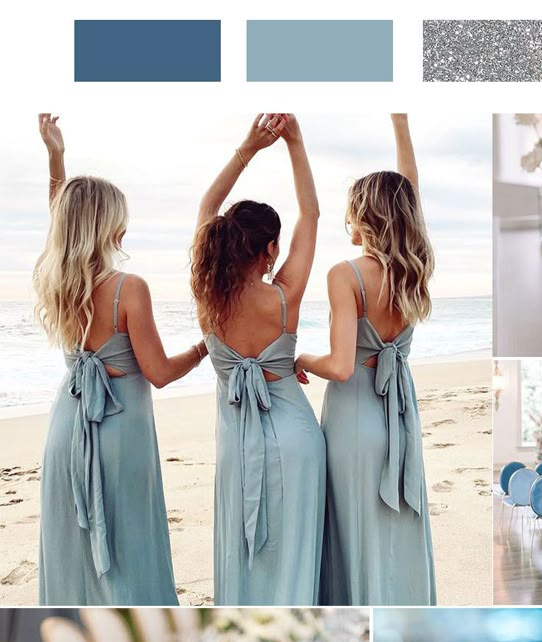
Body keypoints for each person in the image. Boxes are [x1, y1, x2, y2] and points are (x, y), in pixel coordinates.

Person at [34, 114, 205, 604]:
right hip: (119, 433)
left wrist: (55, 157)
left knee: (72, 549)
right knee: (130, 544)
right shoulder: (129, 289)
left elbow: (60, 217)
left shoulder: (59, 281)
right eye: (119, 216)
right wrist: (205, 344)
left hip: (67, 426)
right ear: (108, 224)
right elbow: (161, 373)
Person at [296, 114, 437, 605]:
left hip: (354, 423)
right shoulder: (413, 269)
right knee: (395, 539)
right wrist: (401, 121)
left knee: (353, 541)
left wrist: (302, 360)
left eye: (352, 211)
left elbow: (339, 365)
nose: (347, 221)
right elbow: (409, 192)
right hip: (400, 419)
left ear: (370, 217)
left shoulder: (347, 275)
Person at [191, 113, 325, 604]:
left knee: (242, 557)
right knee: (295, 556)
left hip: (236, 444)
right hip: (297, 438)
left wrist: (248, 147)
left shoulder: (206, 298)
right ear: (271, 249)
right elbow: (310, 216)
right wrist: (295, 141)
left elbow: (208, 205)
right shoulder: (284, 297)